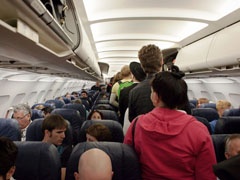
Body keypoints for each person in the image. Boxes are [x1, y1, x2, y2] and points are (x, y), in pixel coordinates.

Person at [124, 70, 216, 179]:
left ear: (155, 97)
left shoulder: (137, 125)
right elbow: (206, 175)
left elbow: (128, 163)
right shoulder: (198, 130)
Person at [128, 44, 163, 122]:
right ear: (162, 61)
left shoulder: (134, 92)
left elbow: (132, 120)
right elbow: (187, 113)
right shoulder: (175, 86)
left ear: (142, 65)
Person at [42, 114, 72, 180]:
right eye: (59, 132)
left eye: (64, 132)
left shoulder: (65, 152)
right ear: (47, 132)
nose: (63, 136)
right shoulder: (34, 150)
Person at [119, 61, 146, 126]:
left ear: (133, 76)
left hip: (128, 124)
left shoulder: (124, 91)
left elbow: (121, 109)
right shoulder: (149, 90)